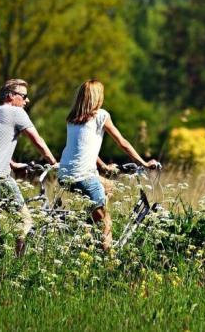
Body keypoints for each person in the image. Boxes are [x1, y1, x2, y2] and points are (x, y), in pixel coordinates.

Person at [59, 79, 159, 250]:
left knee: (109, 186)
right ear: (97, 97)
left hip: (64, 174)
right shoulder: (101, 115)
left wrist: (103, 166)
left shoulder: (72, 119)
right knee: (106, 224)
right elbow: (122, 142)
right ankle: (108, 262)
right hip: (84, 176)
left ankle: (88, 227)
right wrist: (144, 163)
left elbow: (83, 147)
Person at [0, 79, 58, 257]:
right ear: (10, 96)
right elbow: (37, 141)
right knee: (25, 220)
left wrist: (13, 164)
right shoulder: (17, 112)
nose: (27, 101)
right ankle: (17, 264)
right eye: (24, 96)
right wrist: (53, 162)